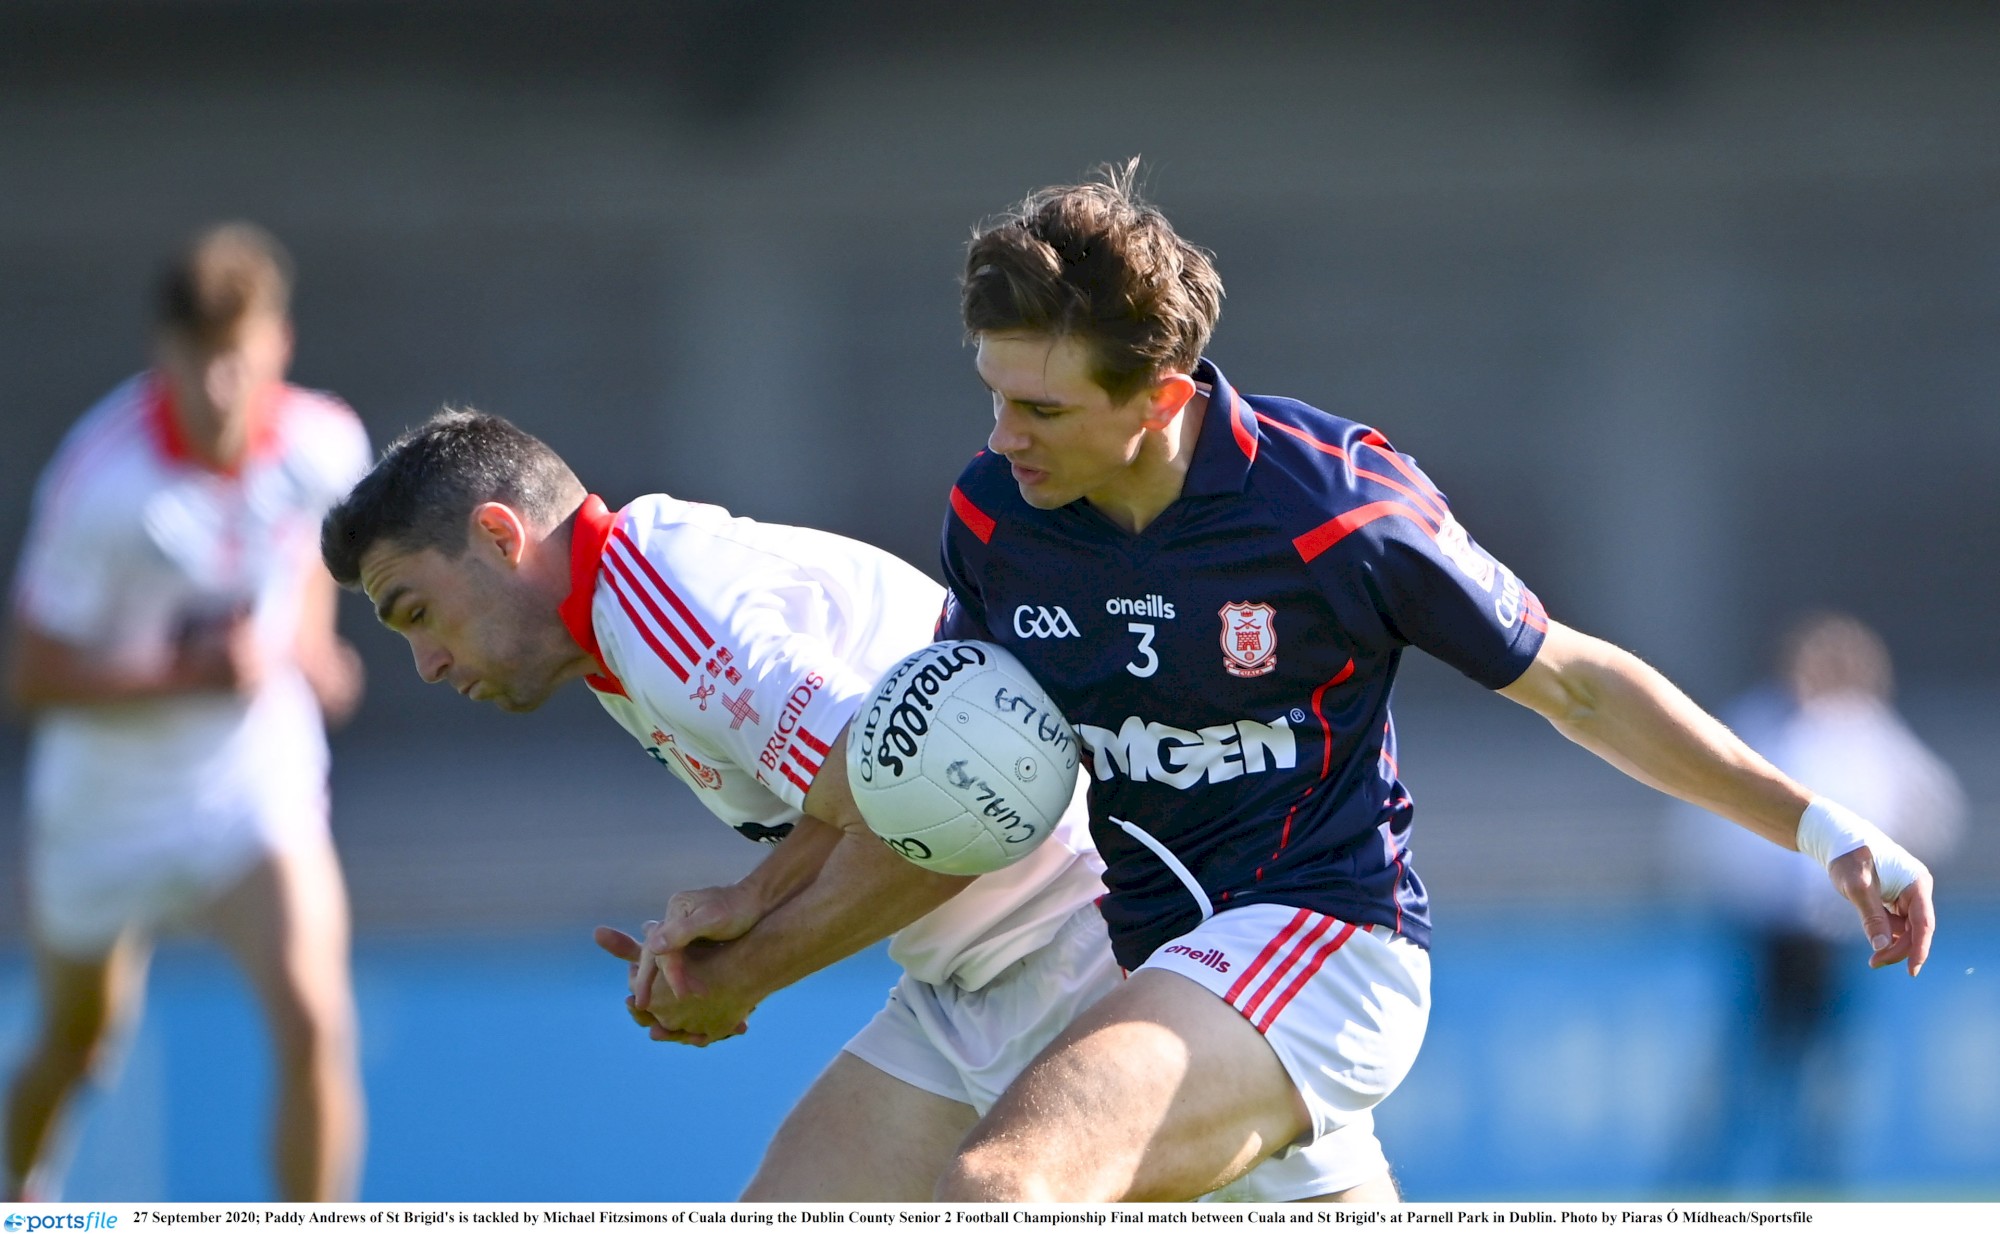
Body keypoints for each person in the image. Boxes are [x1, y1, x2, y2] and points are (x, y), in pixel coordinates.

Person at [927, 164, 1938, 1203]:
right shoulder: (996, 517)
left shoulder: (1334, 506)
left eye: (1039, 408)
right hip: (1149, 964)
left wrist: (1820, 827)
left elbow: (1577, 686)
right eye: (994, 396)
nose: (1003, 437)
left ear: (1160, 396)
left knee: (1004, 1185)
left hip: (1318, 942)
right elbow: (953, 758)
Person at [316, 410, 1116, 1201]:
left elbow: (956, 812)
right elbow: (873, 801)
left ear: (500, 536)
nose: (425, 664)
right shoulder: (625, 615)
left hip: (1079, 942)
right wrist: (749, 904)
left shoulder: (666, 607)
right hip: (968, 982)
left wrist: (745, 971)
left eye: (417, 612)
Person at [4, 224, 371, 1202]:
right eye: (197, 364)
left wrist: (308, 647)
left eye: (238, 364)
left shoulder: (327, 441)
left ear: (277, 349)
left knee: (314, 1020)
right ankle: (19, 1200)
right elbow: (28, 674)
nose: (218, 392)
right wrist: (190, 675)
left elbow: (302, 552)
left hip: (251, 787)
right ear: (160, 354)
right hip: (104, 809)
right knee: (78, 1049)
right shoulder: (101, 483)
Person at [1668, 612, 1963, 1193]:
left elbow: (1937, 809)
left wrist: (1892, 871)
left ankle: (1808, 1188)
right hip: (1766, 931)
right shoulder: (1758, 723)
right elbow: (1701, 821)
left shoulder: (1870, 733)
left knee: (1826, 1072)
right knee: (1748, 1066)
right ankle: (1704, 1188)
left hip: (1833, 933)